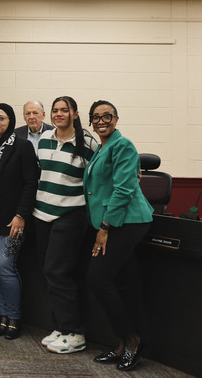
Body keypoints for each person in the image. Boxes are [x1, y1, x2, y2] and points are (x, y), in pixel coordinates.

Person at [84, 100, 153, 371]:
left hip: (126, 221)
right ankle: (123, 344)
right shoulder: (103, 147)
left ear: (116, 118)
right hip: (114, 221)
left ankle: (133, 340)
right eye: (96, 117)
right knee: (122, 282)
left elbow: (123, 191)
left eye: (107, 116)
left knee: (97, 279)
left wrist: (104, 229)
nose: (101, 121)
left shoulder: (123, 145)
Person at [33, 96, 98, 354]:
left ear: (75, 114)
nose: (59, 114)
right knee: (48, 273)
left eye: (64, 110)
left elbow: (102, 171)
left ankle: (75, 332)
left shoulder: (88, 142)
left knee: (58, 273)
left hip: (70, 214)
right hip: (42, 214)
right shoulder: (46, 139)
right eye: (55, 110)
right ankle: (61, 327)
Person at [0, 103, 39, 340]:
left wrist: (21, 216)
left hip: (13, 219)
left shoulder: (22, 147)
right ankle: (2, 315)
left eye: (1, 118)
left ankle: (14, 317)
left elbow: (30, 183)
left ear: (10, 121)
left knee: (6, 265)